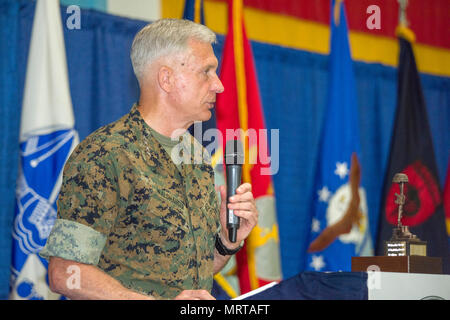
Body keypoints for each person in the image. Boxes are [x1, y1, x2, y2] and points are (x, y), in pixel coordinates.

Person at [40, 19, 258, 300]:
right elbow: (65, 274)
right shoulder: (106, 154)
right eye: (206, 72)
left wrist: (228, 241)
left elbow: (194, 273)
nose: (219, 85)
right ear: (165, 79)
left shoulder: (197, 158)